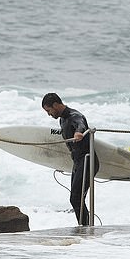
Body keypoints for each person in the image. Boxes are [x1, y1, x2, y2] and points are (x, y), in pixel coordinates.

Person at [42, 92, 99, 226]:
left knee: (76, 198)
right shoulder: (62, 120)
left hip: (87, 160)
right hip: (78, 162)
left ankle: (85, 228)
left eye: (49, 110)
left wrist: (79, 132)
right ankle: (85, 227)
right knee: (76, 199)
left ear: (55, 105)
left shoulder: (75, 116)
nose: (49, 114)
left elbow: (81, 124)